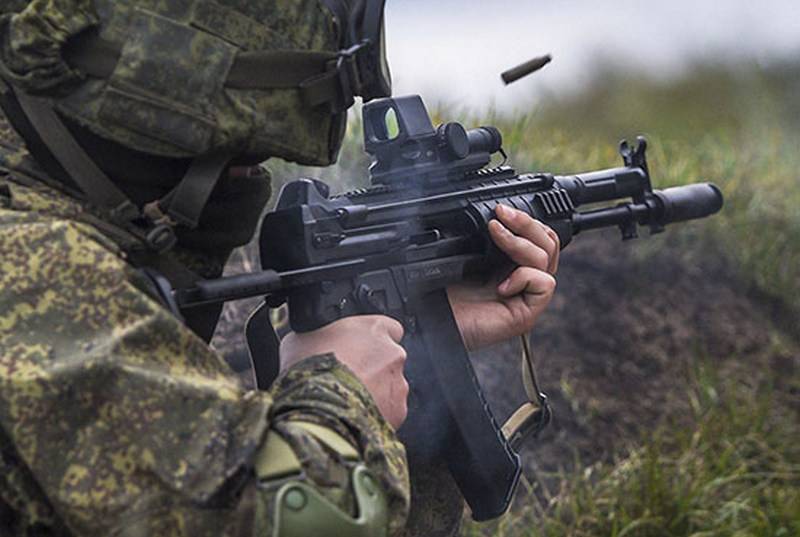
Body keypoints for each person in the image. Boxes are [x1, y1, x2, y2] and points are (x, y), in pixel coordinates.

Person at [0, 1, 559, 536]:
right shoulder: (34, 270)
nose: (248, 182)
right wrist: (340, 394)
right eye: (235, 160)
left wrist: (424, 330)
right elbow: (280, 519)